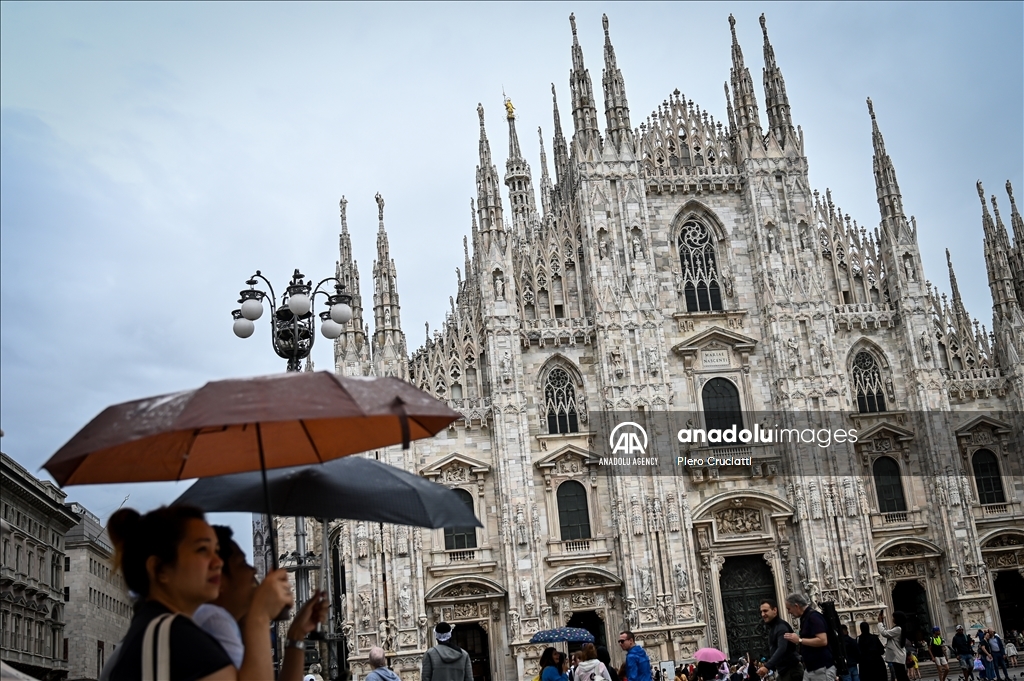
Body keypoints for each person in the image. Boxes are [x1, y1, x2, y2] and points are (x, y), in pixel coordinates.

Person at [105, 505, 293, 680]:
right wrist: (259, 616)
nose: (217, 562)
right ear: (160, 569)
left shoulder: (163, 627)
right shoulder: (172, 635)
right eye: (202, 550)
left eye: (216, 550)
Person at [193, 526, 327, 681]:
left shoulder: (224, 623)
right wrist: (261, 612)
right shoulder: (213, 620)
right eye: (242, 563)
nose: (253, 571)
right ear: (219, 576)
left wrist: (297, 633)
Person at [782, 593, 835, 681]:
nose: (788, 612)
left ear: (796, 606)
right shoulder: (805, 618)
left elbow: (822, 640)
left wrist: (799, 640)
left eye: (789, 609)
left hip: (821, 669)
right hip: (811, 669)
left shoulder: (814, 617)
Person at [757, 598, 801, 681]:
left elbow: (782, 648)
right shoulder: (775, 627)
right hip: (784, 672)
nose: (763, 614)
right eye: (761, 612)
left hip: (791, 672)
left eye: (765, 611)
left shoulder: (781, 627)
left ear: (774, 610)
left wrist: (767, 666)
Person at [877, 610, 909, 681]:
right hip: (898, 655)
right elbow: (889, 633)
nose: (892, 619)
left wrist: (880, 623)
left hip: (897, 656)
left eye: (894, 617)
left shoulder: (898, 629)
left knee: (901, 675)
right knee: (901, 675)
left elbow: (885, 633)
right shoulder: (900, 628)